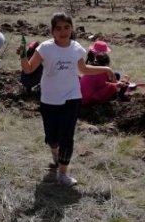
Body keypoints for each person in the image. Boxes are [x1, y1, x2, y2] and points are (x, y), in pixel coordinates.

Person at [21, 12, 115, 186]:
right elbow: (28, 69)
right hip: (49, 99)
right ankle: (55, 152)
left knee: (67, 136)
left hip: (72, 97)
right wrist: (22, 56)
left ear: (72, 28)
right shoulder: (45, 48)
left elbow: (83, 69)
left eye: (66, 27)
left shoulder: (77, 48)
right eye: (58, 28)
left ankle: (63, 173)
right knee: (52, 137)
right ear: (52, 31)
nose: (63, 32)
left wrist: (105, 69)